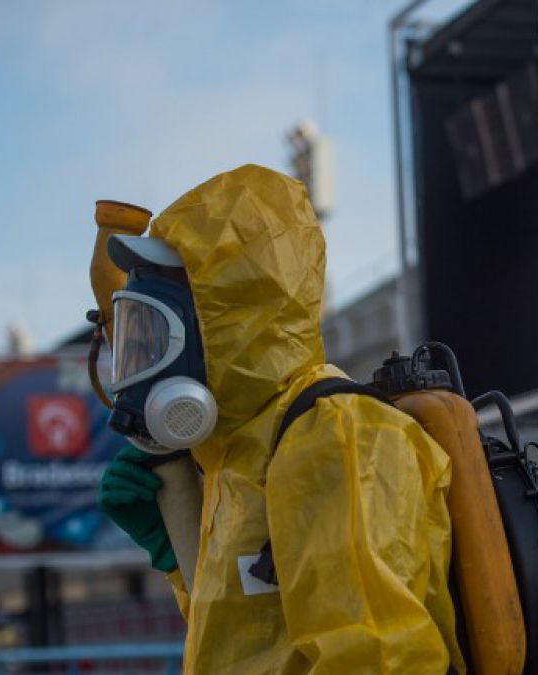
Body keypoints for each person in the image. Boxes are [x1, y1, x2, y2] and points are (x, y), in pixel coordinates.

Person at [95, 165, 462, 674]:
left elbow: (380, 659)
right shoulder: (242, 457)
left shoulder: (336, 438)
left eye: (157, 335)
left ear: (232, 317)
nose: (142, 366)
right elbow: (252, 643)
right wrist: (177, 555)